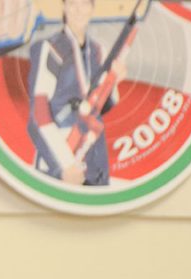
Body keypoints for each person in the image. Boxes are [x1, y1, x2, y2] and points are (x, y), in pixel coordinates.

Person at [26, 0, 125, 185]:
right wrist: (64, 165)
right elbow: (39, 114)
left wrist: (114, 82)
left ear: (92, 8)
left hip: (94, 160)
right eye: (72, 3)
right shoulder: (51, 49)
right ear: (64, 7)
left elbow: (101, 108)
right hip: (61, 157)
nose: (79, 10)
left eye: (85, 3)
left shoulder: (98, 51)